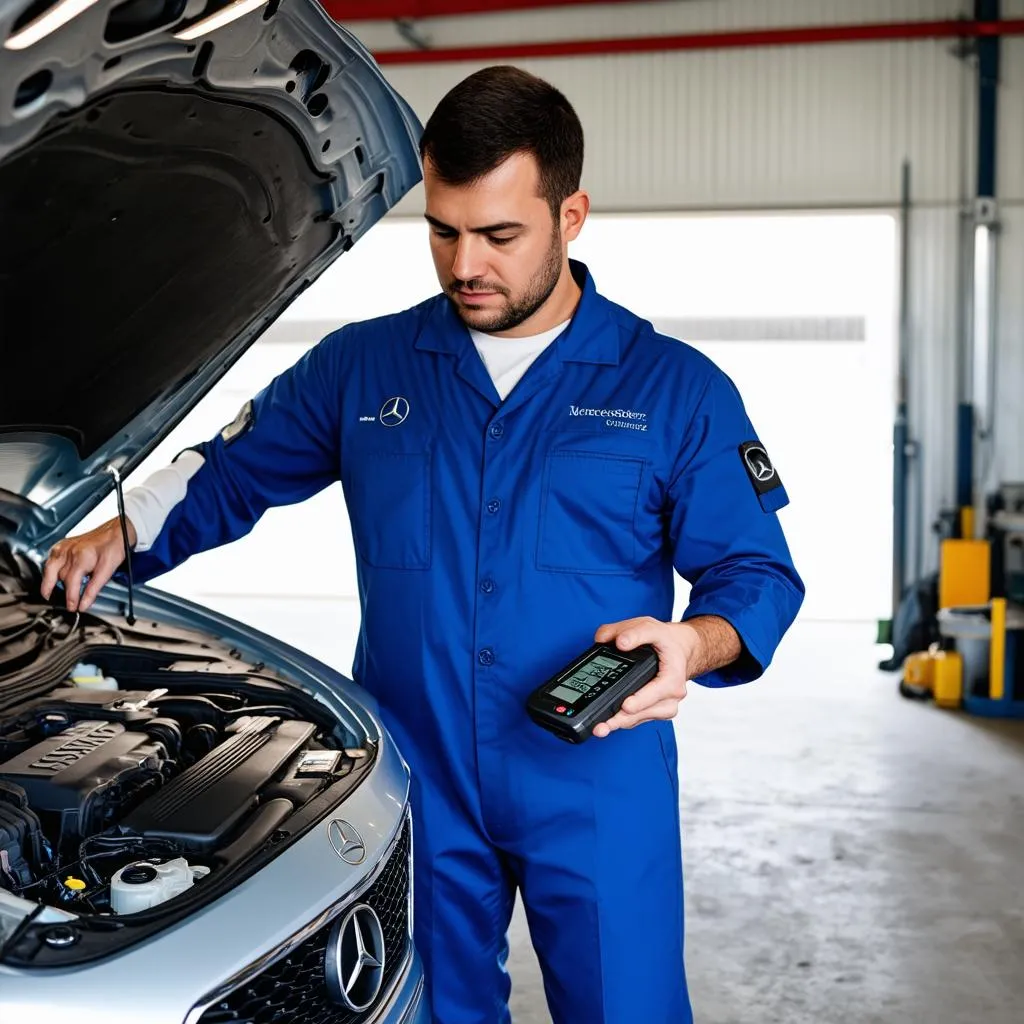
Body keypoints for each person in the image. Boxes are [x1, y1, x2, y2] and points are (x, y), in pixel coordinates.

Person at [41, 65, 804, 1023]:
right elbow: (228, 472)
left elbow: (758, 575)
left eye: (498, 235)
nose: (463, 265)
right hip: (417, 775)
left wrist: (693, 643)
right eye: (442, 231)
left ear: (572, 217)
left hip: (597, 780)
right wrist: (121, 530)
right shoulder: (364, 367)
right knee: (427, 1010)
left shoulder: (675, 389)